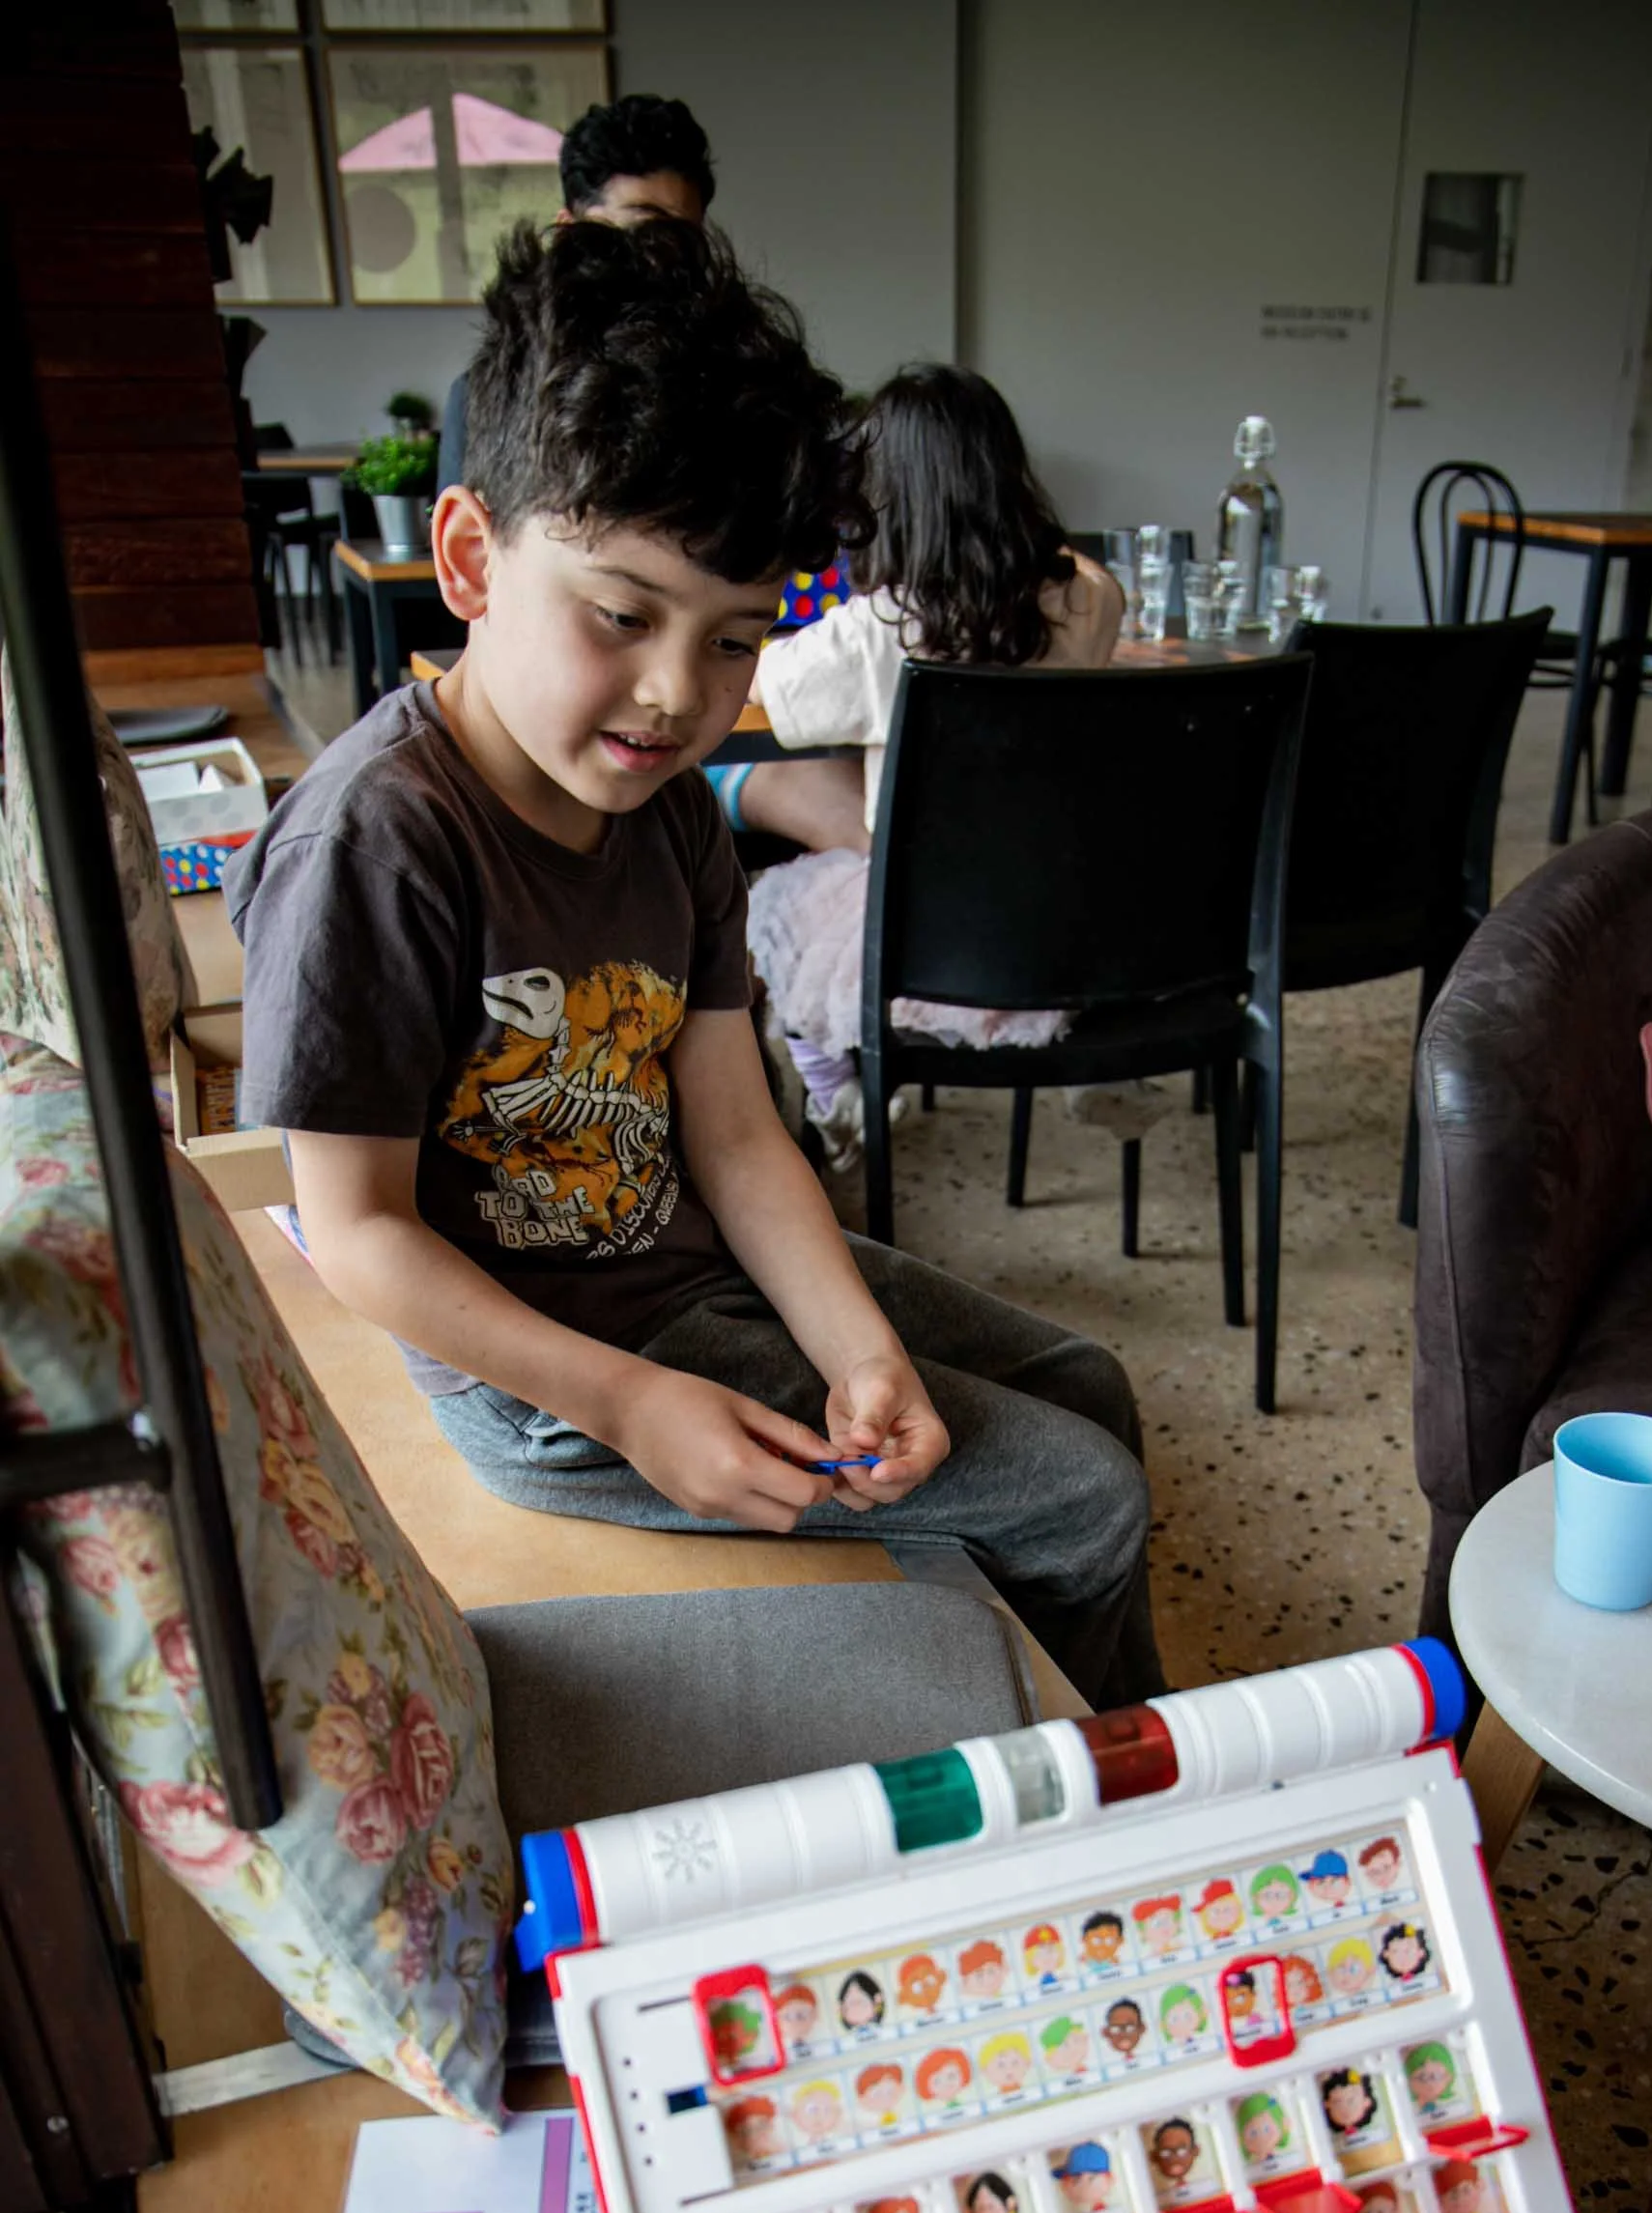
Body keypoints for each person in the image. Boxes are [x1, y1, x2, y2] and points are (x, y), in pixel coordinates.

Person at [233, 221, 1163, 1713]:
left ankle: (1041, 1719)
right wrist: (629, 1405)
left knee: (1086, 1390)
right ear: (469, 558)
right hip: (562, 1382)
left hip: (685, 1270)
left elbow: (732, 1130)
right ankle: (1105, 1803)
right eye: (621, 616)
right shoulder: (376, 841)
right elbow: (352, 1232)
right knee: (1083, 1498)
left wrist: (855, 1344)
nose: (679, 694)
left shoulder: (670, 812)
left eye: (736, 640)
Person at [734, 363, 1159, 1165]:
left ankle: (837, 1103)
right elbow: (1071, 579)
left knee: (781, 929)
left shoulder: (877, 629)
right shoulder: (1091, 597)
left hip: (923, 931)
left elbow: (762, 685)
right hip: (1067, 916)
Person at [434, 93, 716, 497]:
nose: (664, 259)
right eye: (643, 230)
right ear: (569, 230)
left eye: (683, 237)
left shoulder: (731, 389)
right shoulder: (493, 394)